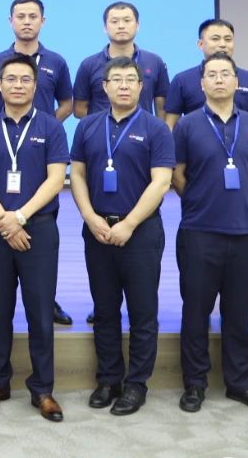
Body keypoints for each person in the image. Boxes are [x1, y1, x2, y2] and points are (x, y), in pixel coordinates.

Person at [0, 55, 70, 423]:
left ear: (35, 85)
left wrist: (21, 217)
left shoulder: (51, 126)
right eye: (10, 79)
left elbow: (56, 179)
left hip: (38, 228)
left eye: (25, 79)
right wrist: (4, 219)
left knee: (40, 312)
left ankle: (42, 388)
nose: (17, 85)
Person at [69, 55, 174, 416]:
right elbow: (77, 174)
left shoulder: (156, 128)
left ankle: (136, 384)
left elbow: (161, 181)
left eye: (131, 80)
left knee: (143, 311)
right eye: (117, 80)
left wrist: (129, 223)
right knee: (105, 309)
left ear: (141, 87)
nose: (124, 86)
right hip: (97, 229)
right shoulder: (88, 126)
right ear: (105, 87)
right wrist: (89, 217)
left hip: (141, 231)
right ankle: (109, 379)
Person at [171, 53, 248, 414]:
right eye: (211, 74)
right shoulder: (187, 125)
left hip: (245, 232)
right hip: (199, 231)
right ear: (202, 83)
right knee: (195, 313)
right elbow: (177, 173)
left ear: (236, 82)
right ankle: (194, 384)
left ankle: (240, 383)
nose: (218, 80)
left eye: (225, 74)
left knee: (238, 313)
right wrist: (198, 199)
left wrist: (242, 194)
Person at [0, 0, 74, 327]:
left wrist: (45, 128)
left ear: (42, 21)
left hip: (40, 155)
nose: (27, 21)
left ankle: (47, 299)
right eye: (20, 16)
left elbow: (67, 103)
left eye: (33, 16)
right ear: (11, 21)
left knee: (42, 239)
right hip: (4, 150)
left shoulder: (56, 61)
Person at [163, 19, 248, 129]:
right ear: (200, 44)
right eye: (215, 39)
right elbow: (170, 125)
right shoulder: (182, 80)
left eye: (228, 39)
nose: (222, 44)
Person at [72, 1, 169, 118]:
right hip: (103, 129)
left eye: (127, 20)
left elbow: (162, 110)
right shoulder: (89, 65)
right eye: (114, 21)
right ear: (105, 27)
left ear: (137, 25)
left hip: (144, 129)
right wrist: (100, 124)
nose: (121, 26)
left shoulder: (154, 62)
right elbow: (79, 109)